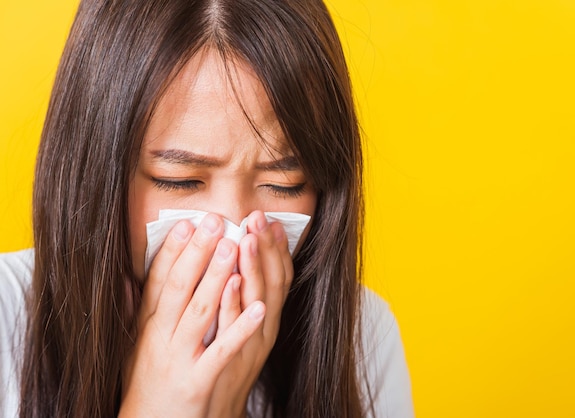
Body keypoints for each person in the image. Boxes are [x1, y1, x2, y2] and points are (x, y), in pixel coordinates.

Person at [0, 0, 413, 416]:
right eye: (178, 180)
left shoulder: (364, 337)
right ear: (93, 166)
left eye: (283, 184)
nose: (234, 232)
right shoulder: (6, 318)